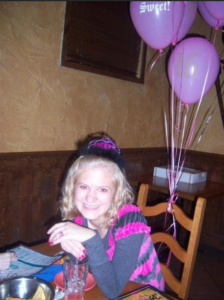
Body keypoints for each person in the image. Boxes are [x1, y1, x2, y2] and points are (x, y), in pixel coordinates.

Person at [47, 136, 165, 298]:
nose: (90, 198)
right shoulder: (80, 219)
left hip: (141, 292)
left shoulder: (130, 221)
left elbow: (113, 290)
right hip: (103, 286)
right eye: (83, 187)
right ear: (72, 188)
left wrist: (90, 238)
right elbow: (85, 270)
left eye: (102, 189)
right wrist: (71, 247)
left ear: (116, 193)